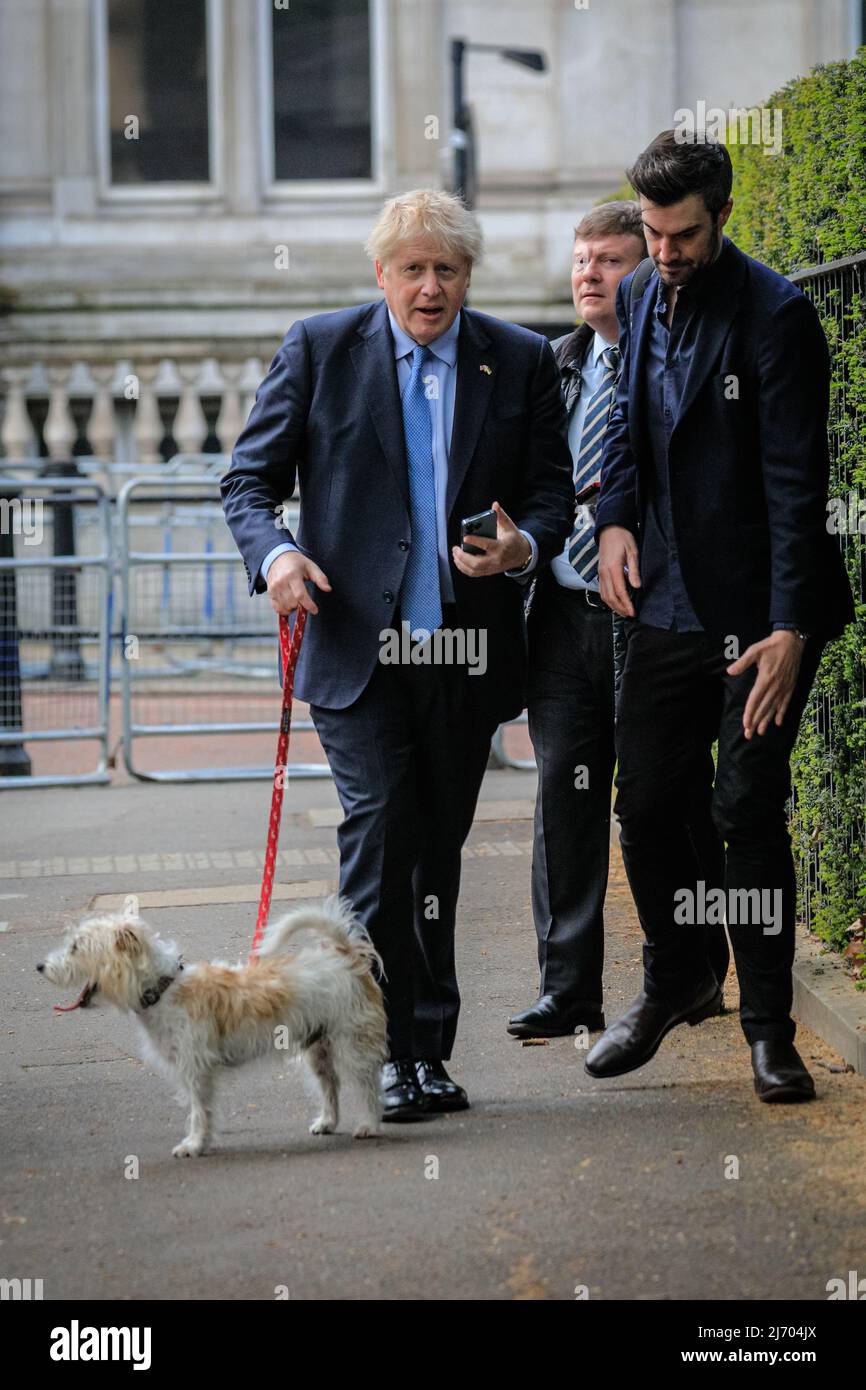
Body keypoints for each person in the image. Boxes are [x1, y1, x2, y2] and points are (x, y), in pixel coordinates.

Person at [220, 189, 574, 1120]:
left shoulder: (521, 358)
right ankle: (377, 1051)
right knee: (379, 834)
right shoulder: (321, 348)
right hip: (356, 645)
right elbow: (247, 481)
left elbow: (550, 492)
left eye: (447, 269)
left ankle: (427, 1050)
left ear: (467, 276)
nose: (430, 287)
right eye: (412, 269)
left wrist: (521, 547)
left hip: (464, 650)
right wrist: (279, 554)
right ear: (382, 275)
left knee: (434, 854)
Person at [586, 131, 854, 1100]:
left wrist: (787, 628)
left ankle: (767, 1032)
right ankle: (679, 976)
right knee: (644, 802)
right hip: (662, 599)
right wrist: (613, 520)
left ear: (722, 216)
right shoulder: (631, 297)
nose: (663, 252)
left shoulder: (775, 316)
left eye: (682, 234)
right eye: (651, 233)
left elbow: (795, 485)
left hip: (761, 609)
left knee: (744, 807)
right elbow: (624, 429)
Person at [508, 201, 728, 1041]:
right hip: (563, 616)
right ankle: (567, 991)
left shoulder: (673, 356)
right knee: (565, 798)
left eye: (608, 260)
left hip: (654, 617)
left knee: (667, 797)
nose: (588, 275)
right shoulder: (551, 367)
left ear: (646, 270)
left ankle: (694, 972)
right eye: (580, 259)